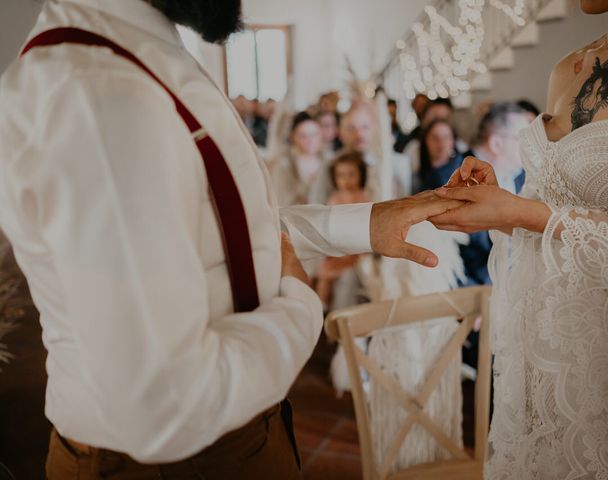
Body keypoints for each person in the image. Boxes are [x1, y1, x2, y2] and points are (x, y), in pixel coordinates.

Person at [0, 0, 464, 478]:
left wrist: (368, 223)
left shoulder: (135, 53)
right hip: (173, 459)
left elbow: (223, 227)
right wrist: (300, 307)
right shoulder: (99, 93)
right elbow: (166, 407)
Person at [432, 0, 608, 477]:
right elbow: (544, 212)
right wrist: (497, 203)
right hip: (545, 348)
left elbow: (541, 216)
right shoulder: (566, 68)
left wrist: (524, 212)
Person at [459, 102, 531, 286]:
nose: (530, 146)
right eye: (523, 138)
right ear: (496, 143)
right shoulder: (453, 178)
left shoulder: (521, 177)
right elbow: (450, 258)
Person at [310, 103, 413, 204]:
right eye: (351, 128)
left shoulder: (397, 163)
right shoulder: (330, 163)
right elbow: (316, 203)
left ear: (374, 129)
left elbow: (404, 202)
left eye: (365, 127)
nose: (359, 134)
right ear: (341, 132)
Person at [315, 152, 371, 309]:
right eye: (341, 175)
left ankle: (326, 307)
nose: (346, 180)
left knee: (347, 265)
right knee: (324, 273)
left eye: (351, 174)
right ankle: (321, 308)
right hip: (339, 245)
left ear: (361, 174)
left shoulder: (364, 197)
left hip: (357, 247)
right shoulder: (335, 198)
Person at [271, 112, 324, 206]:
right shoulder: (284, 164)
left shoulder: (328, 161)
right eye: (303, 136)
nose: (310, 140)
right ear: (293, 137)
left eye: (314, 134)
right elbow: (280, 198)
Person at [414, 119, 464, 192]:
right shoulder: (420, 174)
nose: (441, 143)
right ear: (425, 141)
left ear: (453, 141)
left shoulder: (462, 172)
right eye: (434, 138)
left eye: (446, 137)